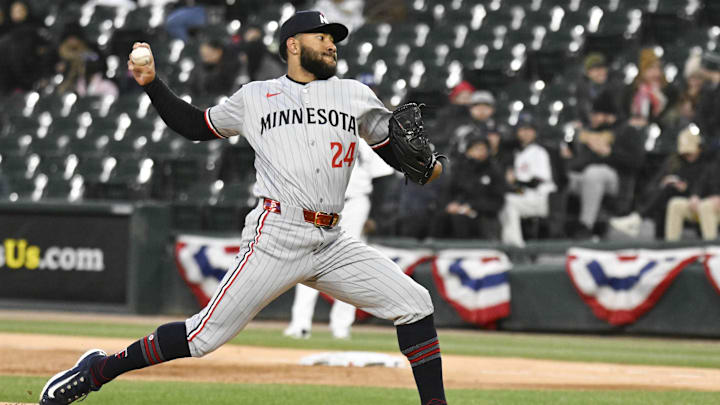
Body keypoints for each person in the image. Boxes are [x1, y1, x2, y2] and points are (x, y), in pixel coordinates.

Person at [39, 10, 447, 405]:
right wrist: (151, 83)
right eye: (321, 37)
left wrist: (432, 167)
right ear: (293, 44)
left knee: (415, 304)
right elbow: (196, 125)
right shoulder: (256, 97)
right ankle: (96, 371)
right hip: (277, 234)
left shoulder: (355, 95)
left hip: (332, 241)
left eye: (334, 39)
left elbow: (402, 159)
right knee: (202, 338)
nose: (331, 45)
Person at [284, 138, 394, 340]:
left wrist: (375, 215)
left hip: (356, 203)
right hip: (321, 203)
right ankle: (300, 323)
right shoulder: (319, 133)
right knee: (309, 260)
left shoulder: (365, 139)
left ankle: (341, 325)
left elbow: (382, 179)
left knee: (349, 263)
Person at [610, 126, 708, 238]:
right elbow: (658, 181)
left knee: (668, 191)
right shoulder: (676, 161)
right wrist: (669, 181)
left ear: (699, 148)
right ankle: (642, 223)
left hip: (698, 197)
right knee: (666, 191)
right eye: (685, 154)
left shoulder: (705, 164)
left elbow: (705, 184)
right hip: (673, 193)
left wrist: (688, 188)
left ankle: (637, 219)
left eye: (690, 153)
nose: (687, 156)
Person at [432, 135, 506, 239]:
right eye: (475, 149)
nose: (479, 152)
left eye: (483, 149)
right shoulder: (459, 169)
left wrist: (472, 206)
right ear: (468, 151)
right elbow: (447, 192)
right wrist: (449, 205)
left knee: (460, 220)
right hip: (458, 210)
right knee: (440, 217)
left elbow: (497, 201)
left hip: (483, 215)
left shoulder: (494, 171)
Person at [499, 114, 556, 246]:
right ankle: (510, 243)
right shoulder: (517, 153)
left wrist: (515, 182)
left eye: (529, 129)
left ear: (535, 132)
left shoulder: (539, 152)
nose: (526, 133)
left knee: (508, 202)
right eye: (522, 129)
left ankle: (516, 247)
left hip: (541, 197)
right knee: (503, 199)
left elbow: (537, 181)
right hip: (526, 195)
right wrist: (512, 185)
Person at [665, 157, 720, 241]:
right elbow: (702, 180)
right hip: (706, 202)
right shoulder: (714, 162)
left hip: (710, 206)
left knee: (706, 206)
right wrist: (695, 195)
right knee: (675, 204)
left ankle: (711, 249)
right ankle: (670, 248)